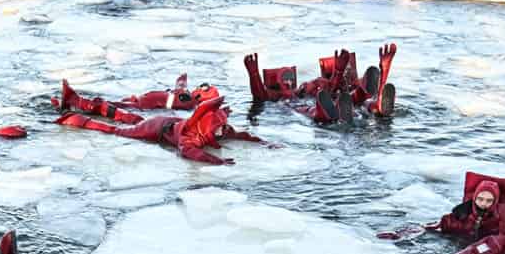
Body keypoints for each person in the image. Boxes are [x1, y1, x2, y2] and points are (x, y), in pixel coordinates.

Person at [56, 95, 268, 166]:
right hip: (156, 128)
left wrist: (263, 142)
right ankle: (75, 117)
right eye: (218, 126)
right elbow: (190, 153)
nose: (222, 130)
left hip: (168, 120)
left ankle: (81, 102)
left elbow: (239, 134)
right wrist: (217, 161)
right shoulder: (189, 138)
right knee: (119, 131)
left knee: (133, 118)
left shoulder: (218, 128)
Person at [243, 44, 398, 119]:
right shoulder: (285, 95)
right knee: (352, 100)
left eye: (289, 77)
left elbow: (333, 89)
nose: (288, 81)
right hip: (319, 105)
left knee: (354, 98)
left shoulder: (311, 86)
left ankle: (374, 104)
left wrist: (339, 71)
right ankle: (372, 104)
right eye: (285, 78)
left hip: (335, 102)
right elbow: (260, 95)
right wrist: (254, 74)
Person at [378, 173, 505, 242]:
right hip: (457, 246)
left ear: (495, 201)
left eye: (489, 201)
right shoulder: (459, 216)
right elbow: (431, 226)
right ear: (474, 198)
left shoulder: (501, 222)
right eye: (480, 199)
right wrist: (400, 233)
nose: (484, 204)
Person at [50, 76, 221, 122]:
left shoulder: (189, 101)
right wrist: (182, 79)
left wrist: (183, 83)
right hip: (140, 102)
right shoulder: (187, 96)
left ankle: (76, 102)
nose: (202, 86)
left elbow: (180, 89)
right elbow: (180, 85)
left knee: (110, 105)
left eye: (206, 88)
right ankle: (72, 105)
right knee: (112, 104)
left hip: (142, 107)